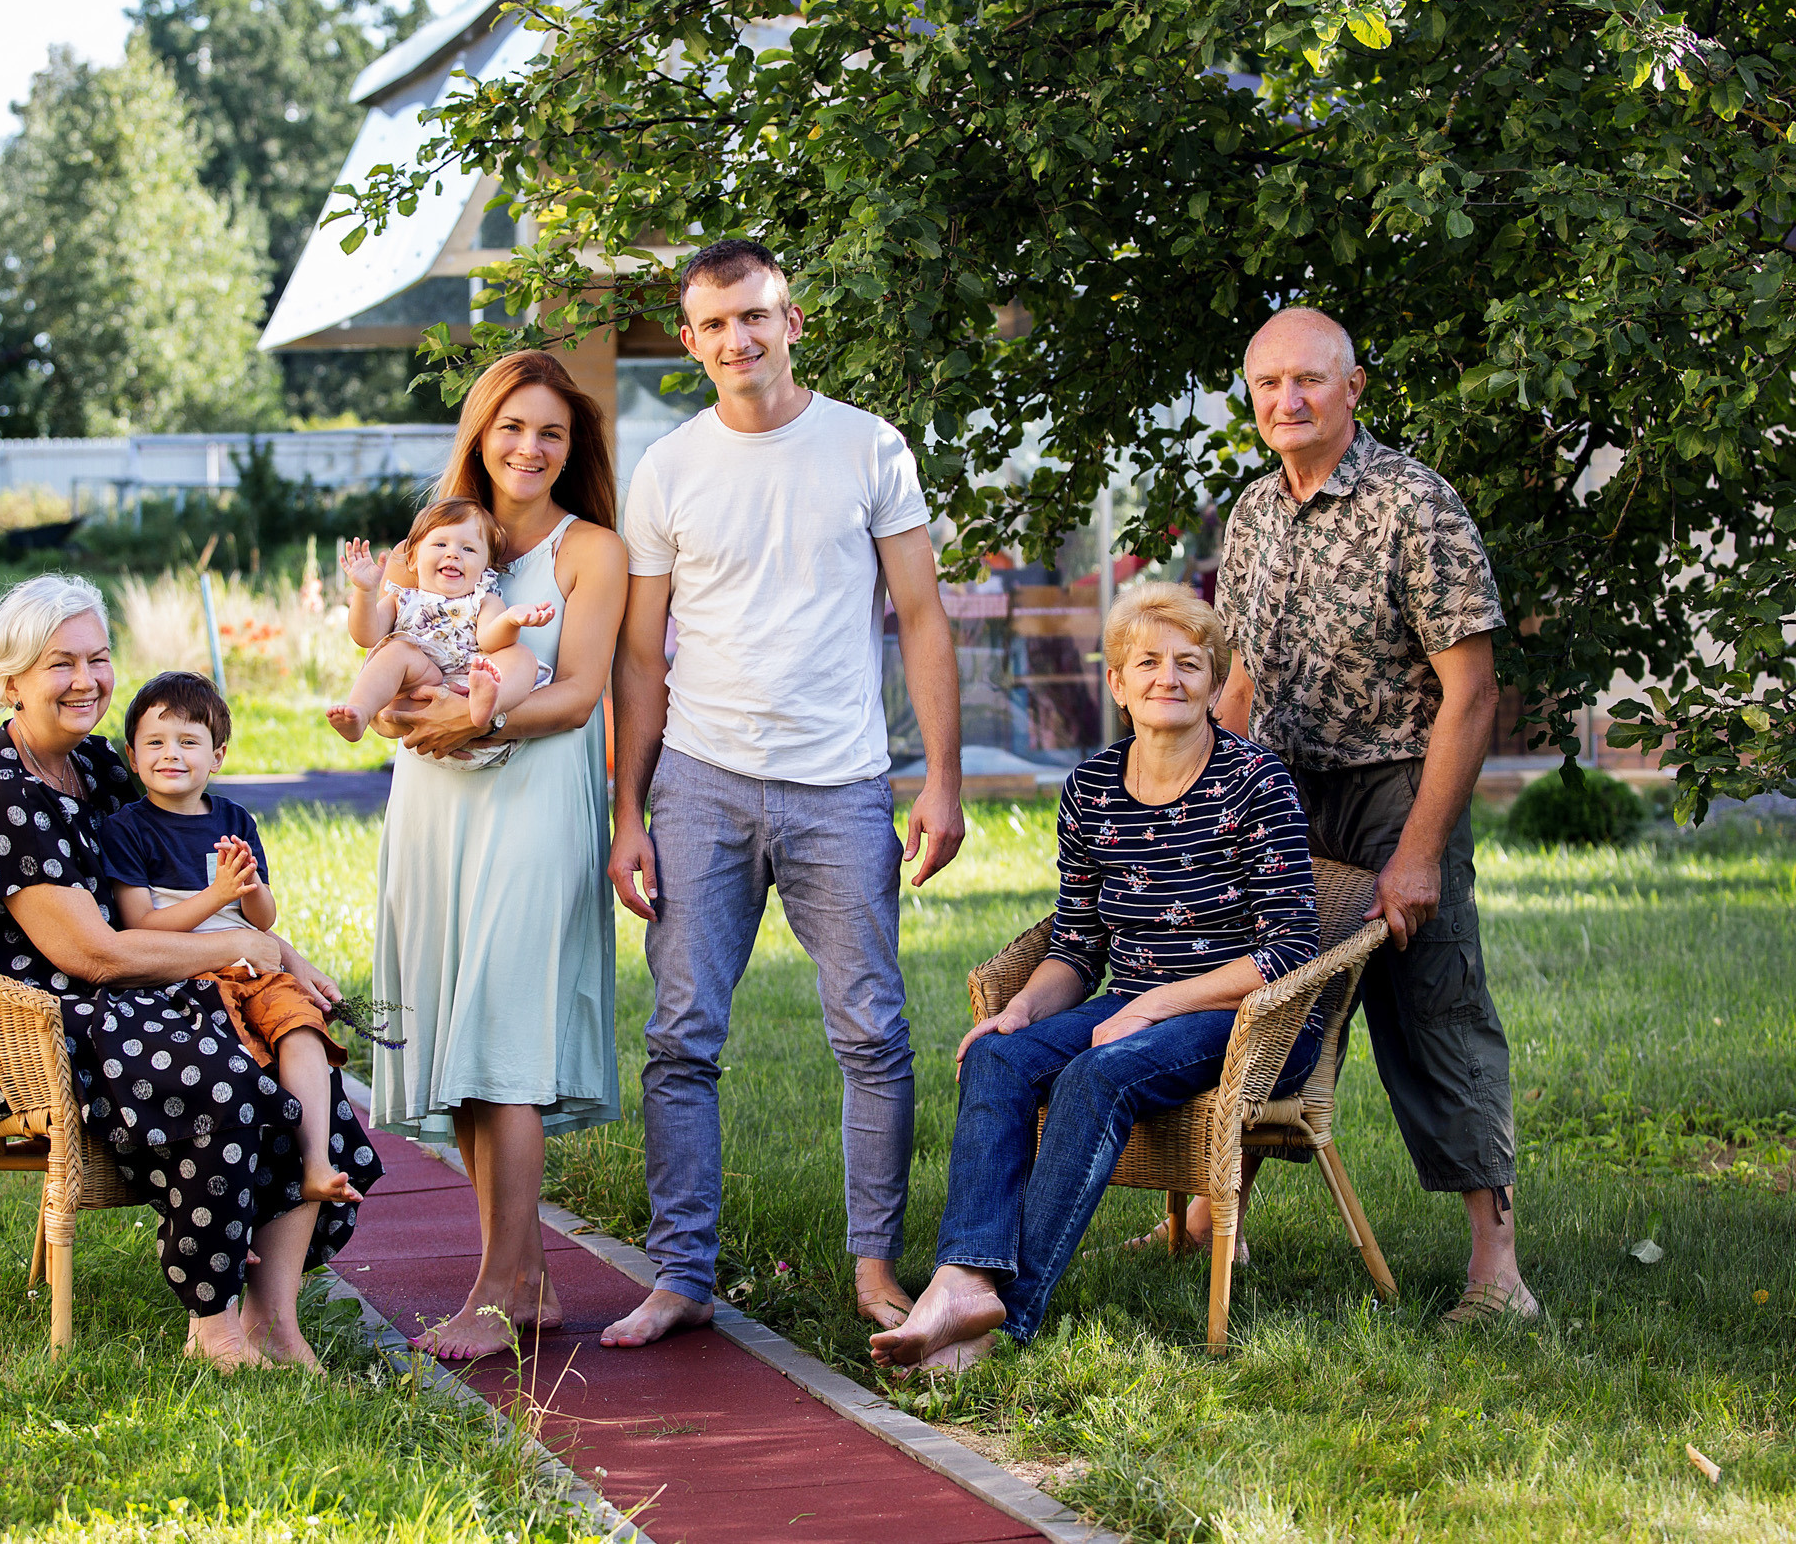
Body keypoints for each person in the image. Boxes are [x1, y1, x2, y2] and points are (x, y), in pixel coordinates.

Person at [0, 575, 381, 1371]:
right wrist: (238, 954)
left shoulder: (99, 765)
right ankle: (213, 1324)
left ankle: (275, 1316)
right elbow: (90, 952)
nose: (87, 679)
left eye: (98, 658)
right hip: (9, 1021)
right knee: (219, 1079)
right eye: (59, 662)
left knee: (290, 1051)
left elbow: (175, 881)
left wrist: (280, 957)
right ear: (9, 680)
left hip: (111, 994)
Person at [602, 238, 967, 1349]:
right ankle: (680, 1272)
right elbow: (635, 653)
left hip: (843, 785)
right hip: (702, 784)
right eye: (712, 324)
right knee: (680, 1036)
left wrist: (941, 779)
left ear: (793, 319)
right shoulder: (667, 467)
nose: (736, 340)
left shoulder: (866, 447)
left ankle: (871, 1263)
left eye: (754, 316)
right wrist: (629, 810)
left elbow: (921, 615)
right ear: (690, 336)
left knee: (872, 1031)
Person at [871, 585, 1320, 1371]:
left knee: (1095, 1076)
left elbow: (1288, 951)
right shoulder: (1091, 790)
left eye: (1189, 663)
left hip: (1254, 1016)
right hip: (1135, 1005)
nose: (1168, 678)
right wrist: (1018, 1011)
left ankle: (1004, 1322)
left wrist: (1150, 1006)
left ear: (1216, 683)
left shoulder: (1258, 783)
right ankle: (966, 1275)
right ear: (1117, 683)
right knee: (995, 1056)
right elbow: (1077, 948)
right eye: (1147, 662)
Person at [1209, 305, 1537, 1326]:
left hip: (1400, 778)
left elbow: (1471, 693)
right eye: (1267, 384)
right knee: (1259, 1004)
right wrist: (1208, 796)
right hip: (1282, 786)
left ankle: (1497, 1271)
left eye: (1308, 380)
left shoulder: (1414, 505)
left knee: (1431, 1006)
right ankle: (1216, 1219)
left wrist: (1420, 850)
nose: (1286, 400)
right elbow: (1240, 675)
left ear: (1352, 388)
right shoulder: (1252, 513)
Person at [366, 349, 629, 1360]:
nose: (529, 446)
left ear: (573, 446)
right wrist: (400, 716)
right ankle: (526, 1278)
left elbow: (579, 693)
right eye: (512, 426)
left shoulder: (589, 550)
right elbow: (388, 667)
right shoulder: (432, 539)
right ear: (480, 430)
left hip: (531, 794)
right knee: (463, 1048)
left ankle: (493, 1292)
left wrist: (483, 724)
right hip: (435, 804)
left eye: (551, 432)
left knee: (503, 1038)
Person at [106, 670, 360, 1210]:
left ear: (217, 756)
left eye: (188, 742)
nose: (170, 754)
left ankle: (316, 1163)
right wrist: (216, 892)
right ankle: (226, 1204)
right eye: (155, 742)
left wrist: (248, 889)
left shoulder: (234, 818)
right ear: (132, 756)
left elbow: (262, 919)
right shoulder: (127, 829)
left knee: (301, 1030)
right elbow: (140, 927)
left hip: (255, 964)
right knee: (232, 1064)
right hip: (185, 973)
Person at [326, 499, 556, 767]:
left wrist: (511, 620)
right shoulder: (401, 599)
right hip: (423, 702)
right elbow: (367, 635)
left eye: (468, 548)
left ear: (485, 569)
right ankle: (359, 712)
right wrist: (365, 592)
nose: (453, 554)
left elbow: (490, 639)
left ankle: (489, 704)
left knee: (520, 656)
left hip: (472, 704)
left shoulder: (483, 599)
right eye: (440, 544)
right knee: (396, 652)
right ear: (412, 558)